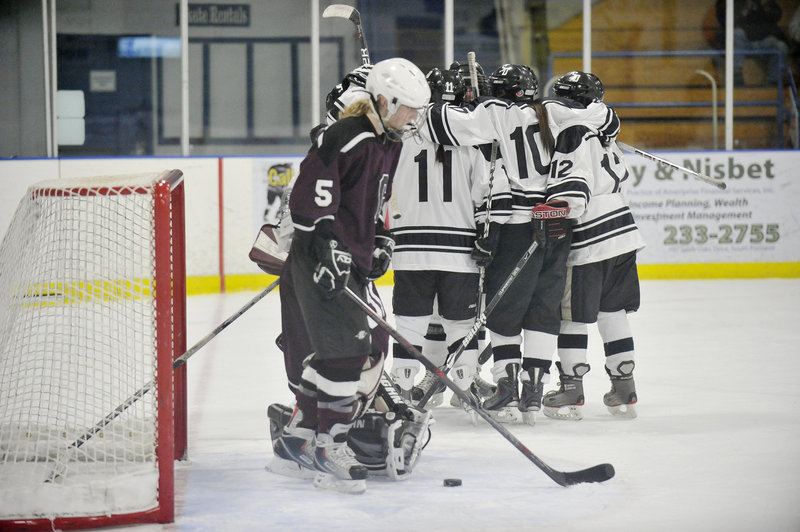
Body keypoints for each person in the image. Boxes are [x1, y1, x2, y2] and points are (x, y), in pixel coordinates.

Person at [270, 57, 430, 494]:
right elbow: (309, 196)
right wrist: (325, 248)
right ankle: (330, 447)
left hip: (350, 259)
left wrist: (380, 239)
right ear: (384, 99)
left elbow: (375, 201)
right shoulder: (347, 135)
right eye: (408, 109)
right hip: (321, 259)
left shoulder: (390, 143)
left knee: (335, 355)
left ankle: (299, 437)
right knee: (346, 354)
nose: (413, 119)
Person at [423, 63, 593, 424]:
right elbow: (597, 125)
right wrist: (560, 208)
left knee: (504, 311)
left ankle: (507, 389)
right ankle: (534, 391)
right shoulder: (555, 111)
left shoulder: (495, 112)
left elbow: (443, 126)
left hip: (518, 228)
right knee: (543, 309)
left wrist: (438, 101)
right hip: (557, 224)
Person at [540, 71, 645, 421]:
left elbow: (573, 193)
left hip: (590, 238)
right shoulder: (603, 128)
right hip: (624, 233)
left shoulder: (570, 131)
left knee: (570, 316)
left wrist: (548, 210)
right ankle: (624, 385)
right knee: (612, 311)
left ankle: (571, 388)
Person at [388, 67, 489, 419]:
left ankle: (401, 388)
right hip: (459, 250)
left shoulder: (398, 135)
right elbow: (483, 195)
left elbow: (384, 189)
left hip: (409, 248)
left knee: (410, 324)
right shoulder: (471, 136)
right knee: (461, 326)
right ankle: (465, 389)